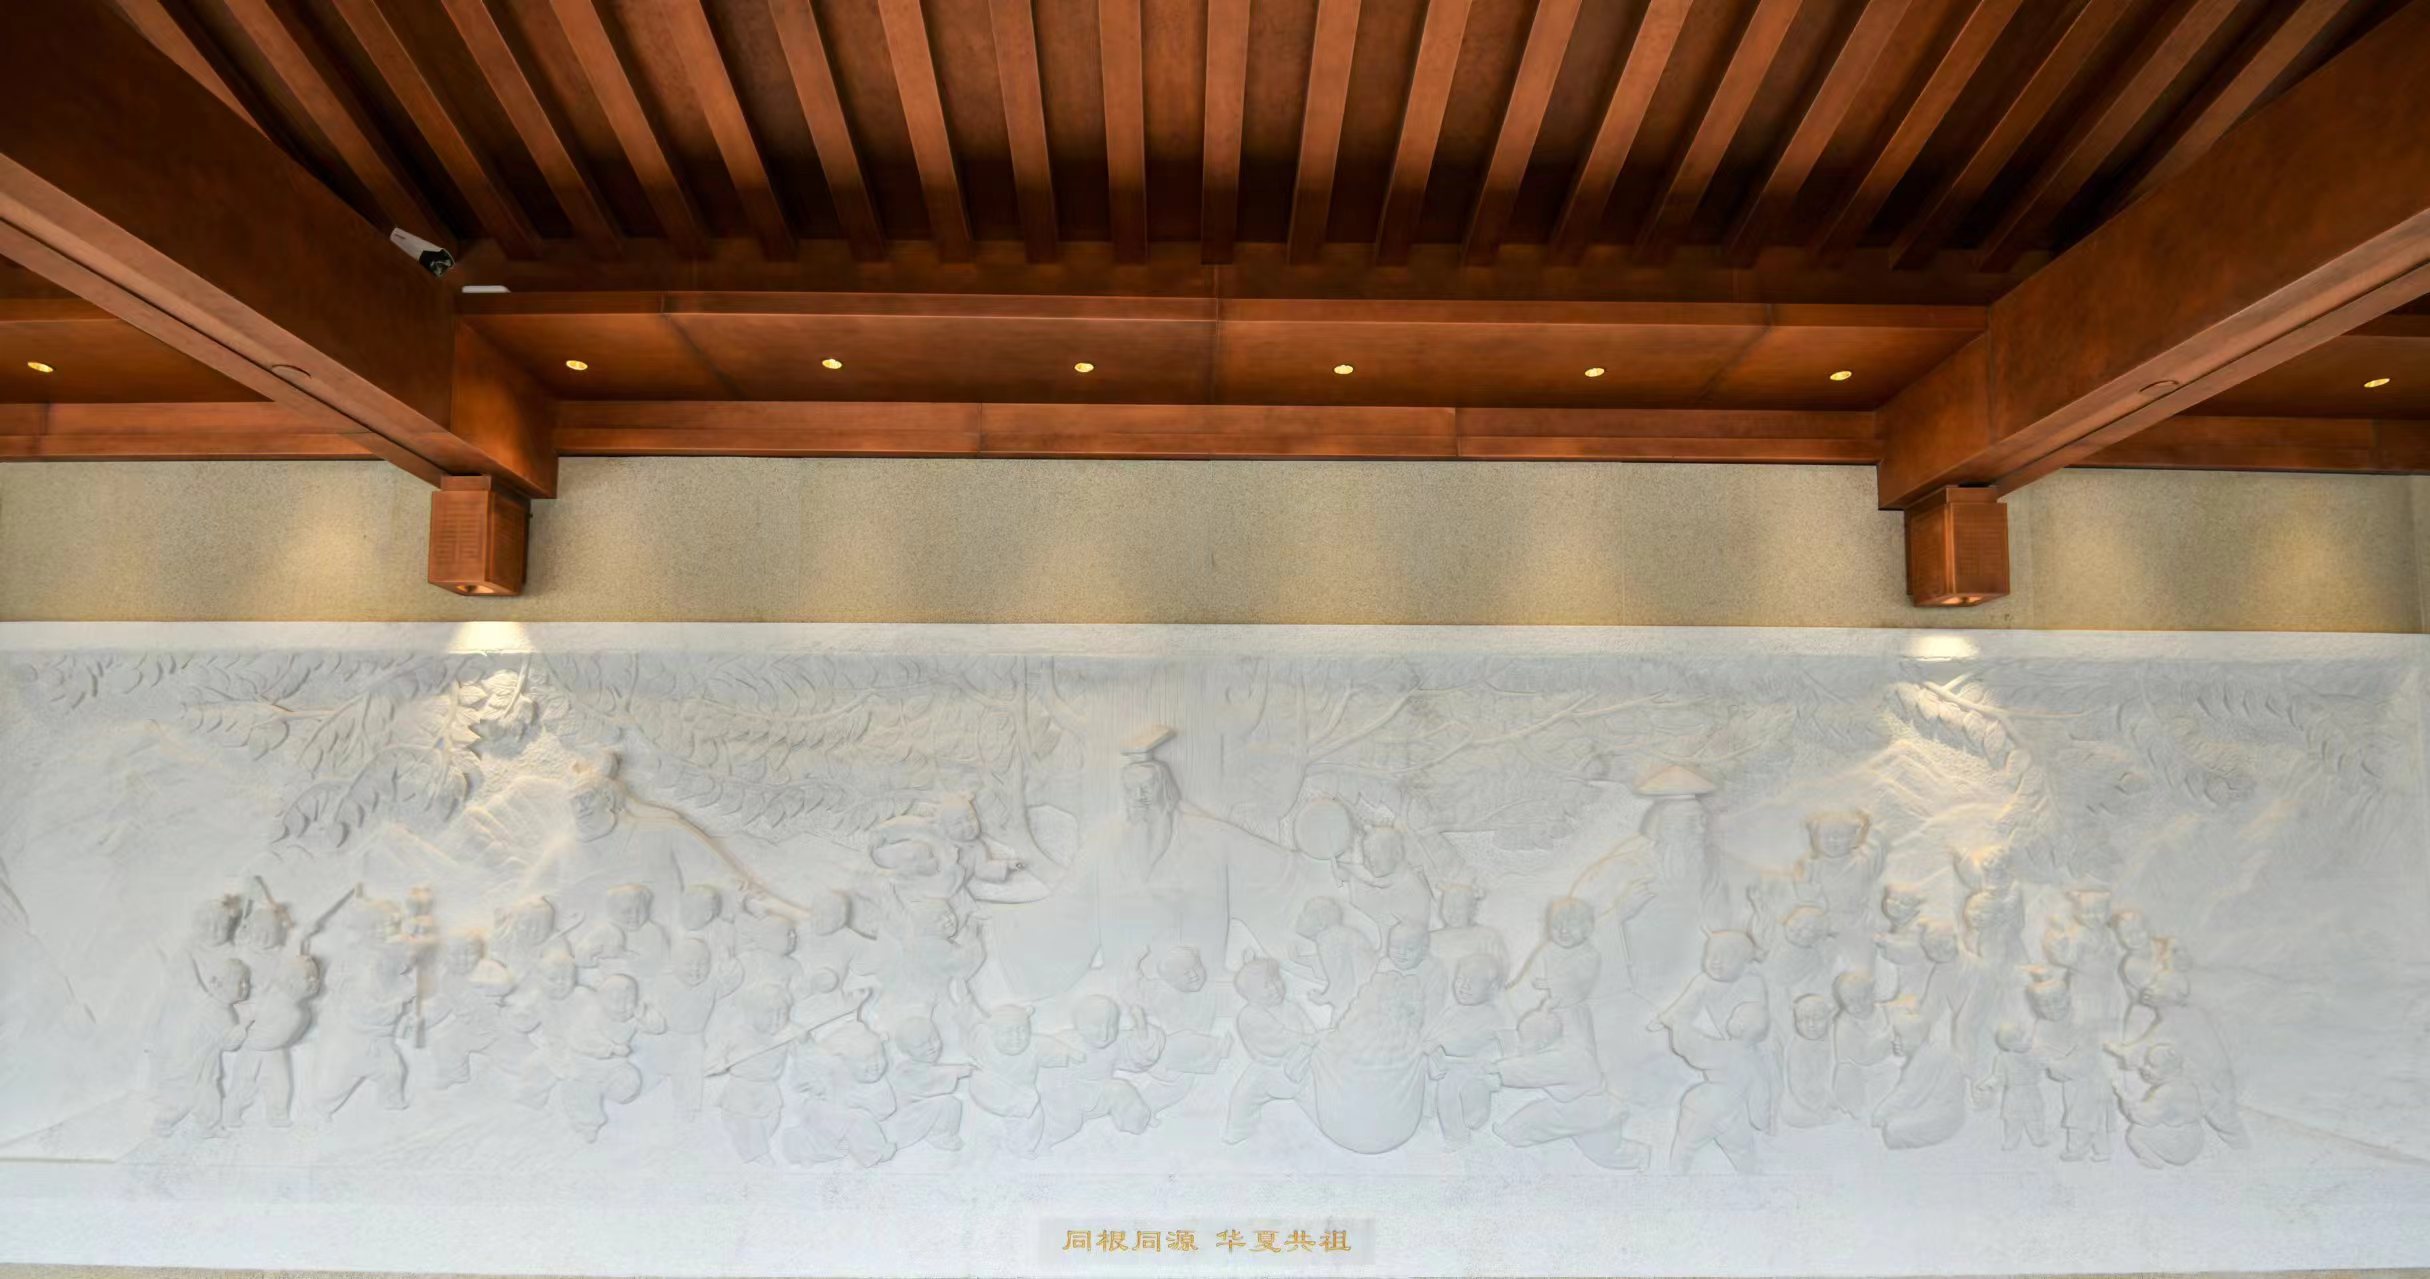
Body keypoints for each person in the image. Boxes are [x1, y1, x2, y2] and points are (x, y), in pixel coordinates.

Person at [1490, 1008, 1647, 1170]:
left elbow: (1528, 1070)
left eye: (1524, 1040)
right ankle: (1510, 1134)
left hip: (1585, 1111)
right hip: (1581, 1108)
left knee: (1602, 1151)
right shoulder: (1565, 1048)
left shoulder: (1562, 1059)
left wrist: (1498, 1069)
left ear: (1543, 1041)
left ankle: (1641, 1156)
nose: (1521, 1045)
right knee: (1598, 1148)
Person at [1224, 957, 1315, 1144]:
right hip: (1268, 1067)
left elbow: (1308, 1029)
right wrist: (1307, 1040)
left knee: (1315, 1094)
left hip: (1302, 1061)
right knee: (1243, 1096)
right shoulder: (1249, 1015)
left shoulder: (1291, 1007)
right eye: (1266, 986)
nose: (1275, 987)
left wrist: (1312, 1042)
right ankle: (1239, 1130)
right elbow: (1278, 1039)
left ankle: (1328, 1122)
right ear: (1249, 994)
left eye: (1276, 980)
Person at [1426, 952, 1511, 1148]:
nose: (1464, 985)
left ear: (1491, 988)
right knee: (1438, 1082)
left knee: (1454, 1089)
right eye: (1460, 979)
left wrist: (1439, 1045)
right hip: (1450, 1064)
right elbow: (1432, 1038)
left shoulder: (1491, 1015)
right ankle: (1450, 1120)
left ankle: (1459, 1132)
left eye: (1473, 982)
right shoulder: (1452, 1012)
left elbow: (1470, 1041)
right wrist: (1433, 1055)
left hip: (1476, 1067)